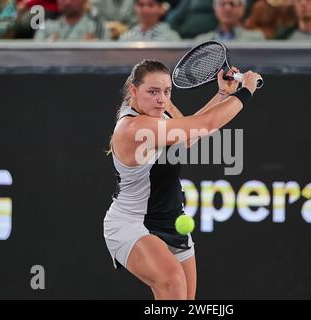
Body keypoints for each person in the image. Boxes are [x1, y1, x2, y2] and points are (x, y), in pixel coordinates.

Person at [103, 59, 261, 300]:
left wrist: (221, 94)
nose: (162, 99)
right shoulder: (132, 128)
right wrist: (246, 91)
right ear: (134, 91)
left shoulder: (159, 111)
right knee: (173, 282)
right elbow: (204, 125)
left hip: (172, 221)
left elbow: (188, 137)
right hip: (132, 224)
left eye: (167, 92)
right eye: (153, 92)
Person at [195, 0, 266, 42]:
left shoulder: (256, 39)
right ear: (215, 9)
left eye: (233, 4)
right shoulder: (201, 40)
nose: (227, 8)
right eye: (222, 4)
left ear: (243, 8)